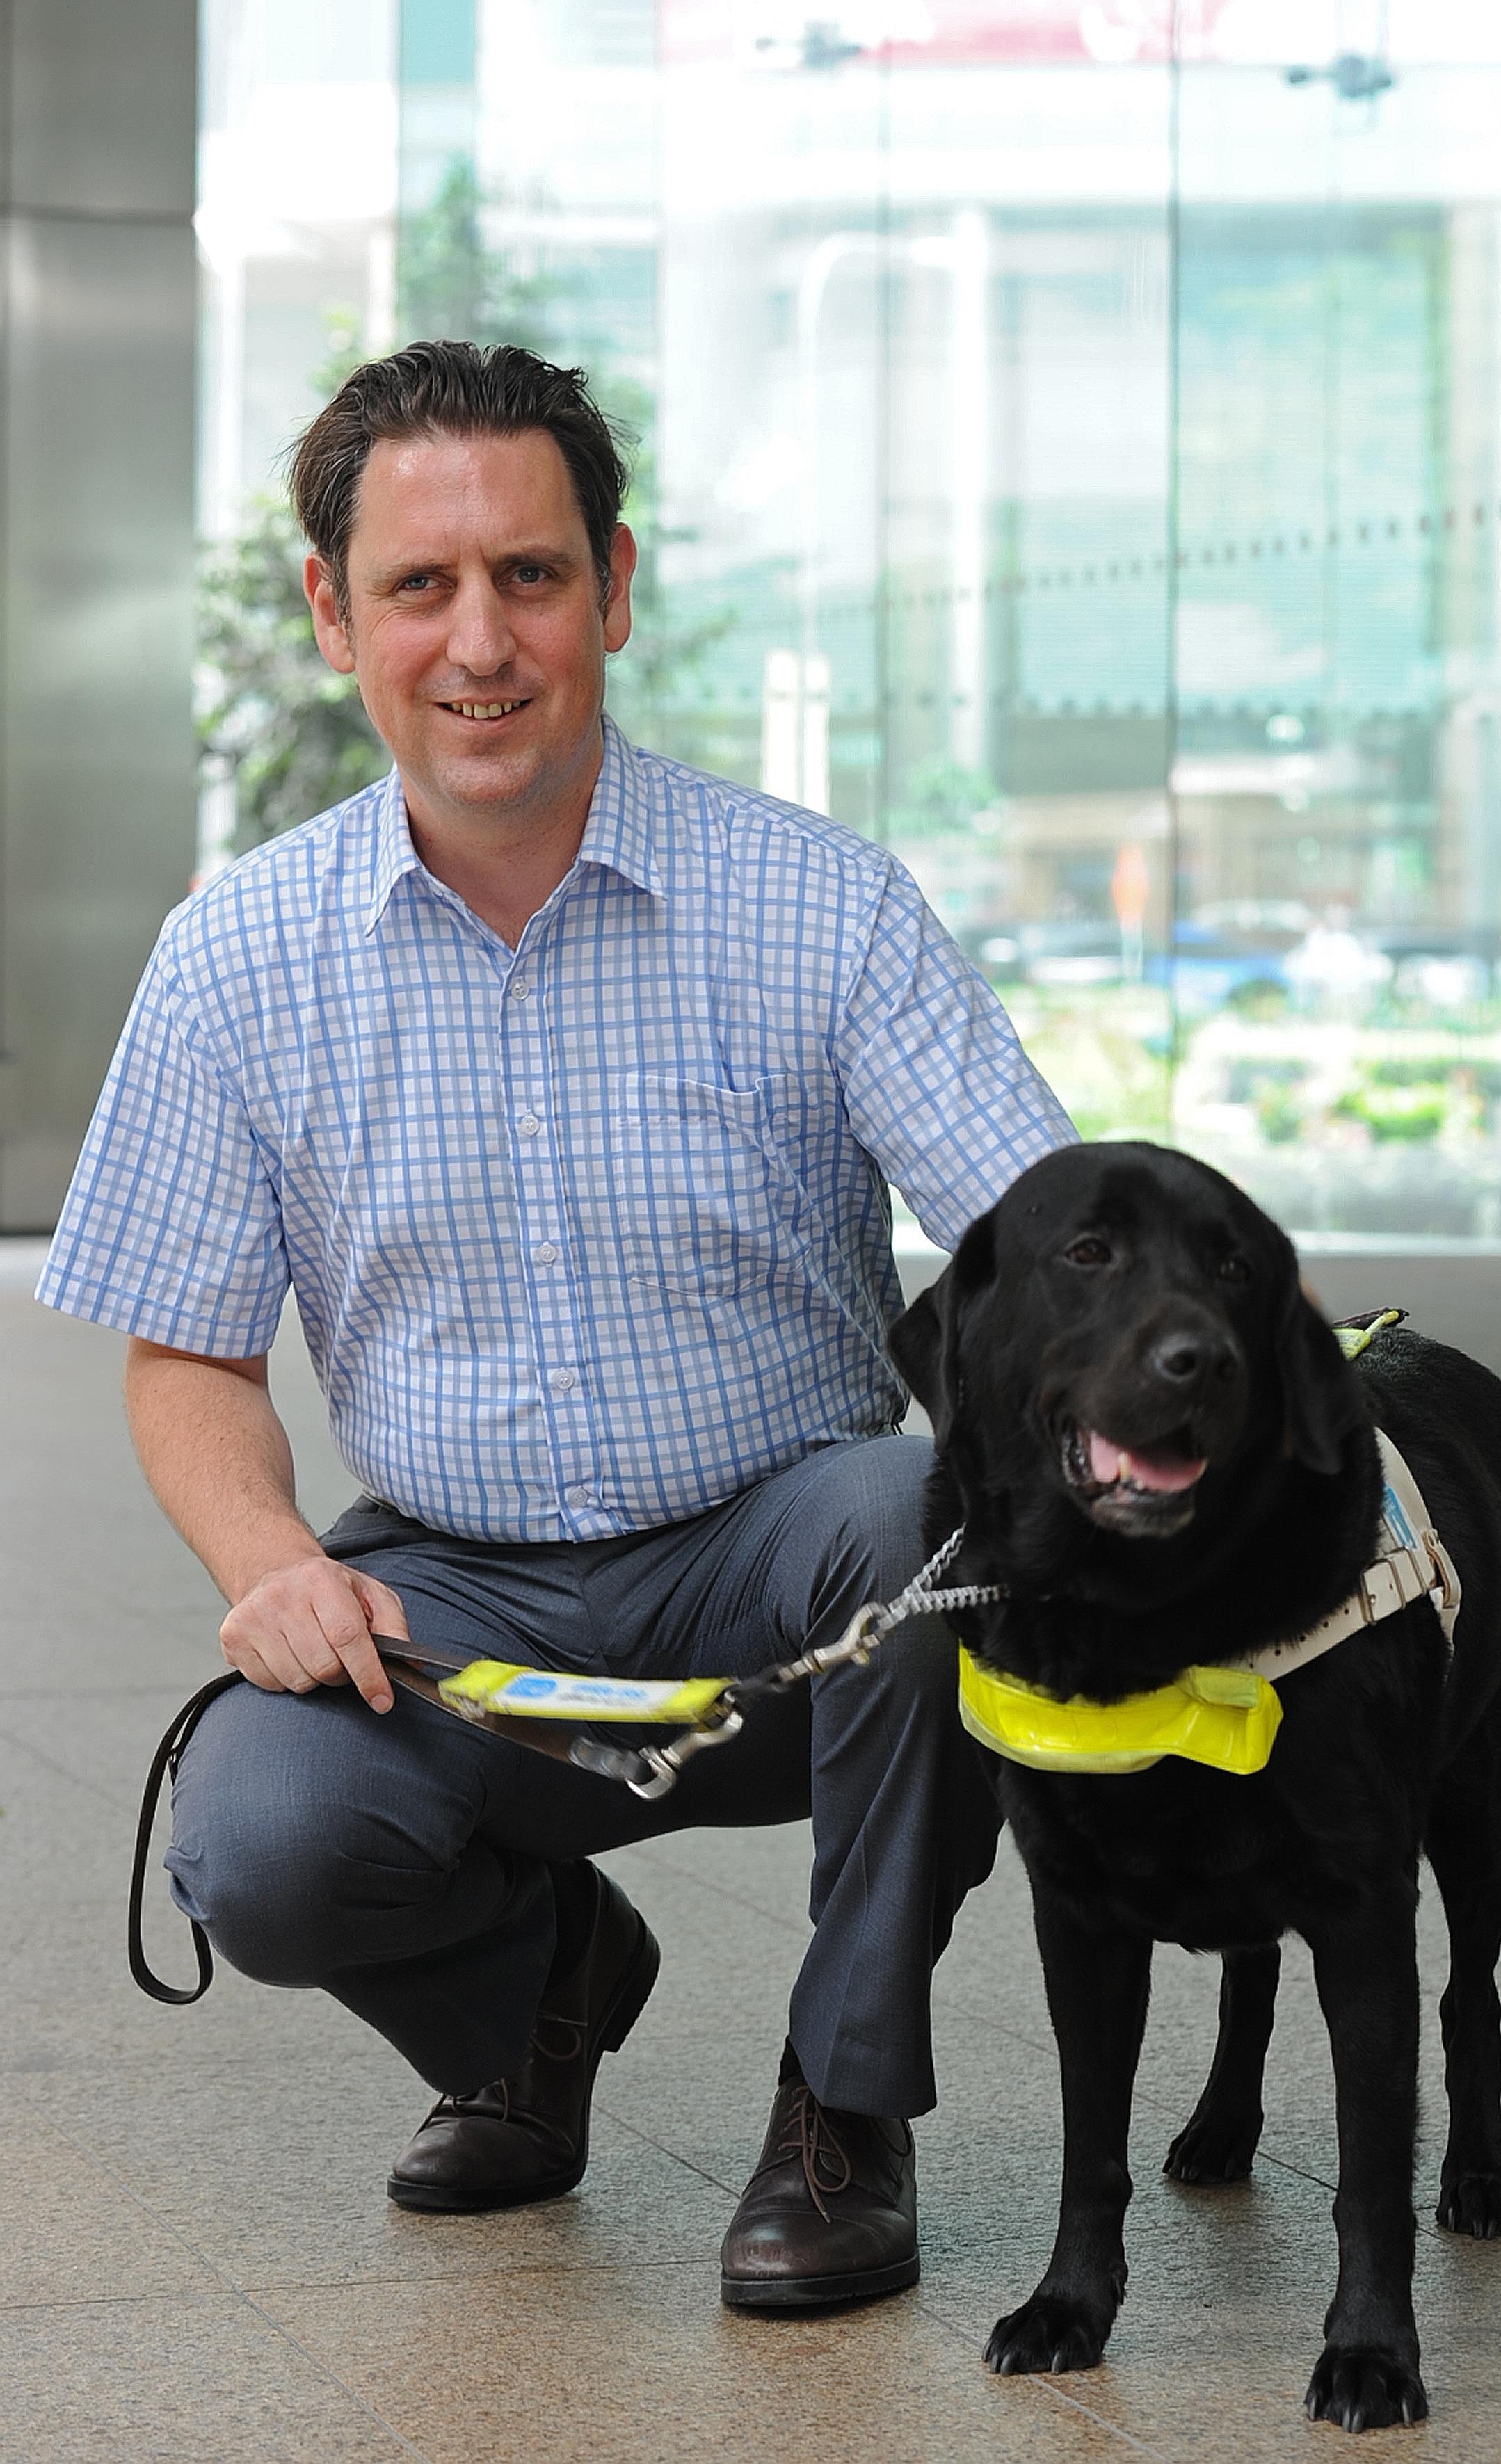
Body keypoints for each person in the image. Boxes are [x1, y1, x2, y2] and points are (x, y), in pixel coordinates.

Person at [39, 341, 1075, 2310]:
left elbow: (1040, 1237)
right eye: (419, 587)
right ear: (336, 613)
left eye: (527, 575)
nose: (481, 642)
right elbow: (184, 1349)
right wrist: (269, 1566)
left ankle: (840, 2110)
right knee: (259, 1842)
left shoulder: (818, 907)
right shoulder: (235, 957)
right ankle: (545, 1994)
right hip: (458, 1608)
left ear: (611, 583)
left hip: (789, 1575)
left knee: (931, 1519)